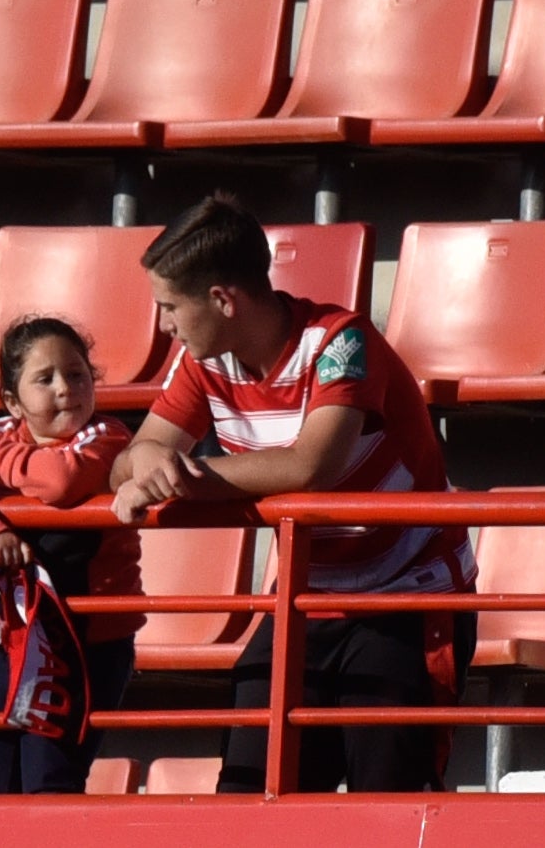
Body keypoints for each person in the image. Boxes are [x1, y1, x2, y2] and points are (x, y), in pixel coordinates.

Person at [111, 193, 476, 794]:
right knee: (250, 798)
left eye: (169, 306)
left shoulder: (341, 342)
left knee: (386, 806)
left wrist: (183, 477)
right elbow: (134, 456)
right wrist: (147, 460)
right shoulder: (204, 360)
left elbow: (312, 465)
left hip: (408, 600)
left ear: (223, 300)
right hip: (304, 599)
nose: (164, 325)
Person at [0, 315, 141, 795]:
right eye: (45, 379)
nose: (66, 389)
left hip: (88, 646)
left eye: (77, 374)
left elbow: (61, 480)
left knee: (49, 781)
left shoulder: (110, 437)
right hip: (13, 640)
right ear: (13, 402)